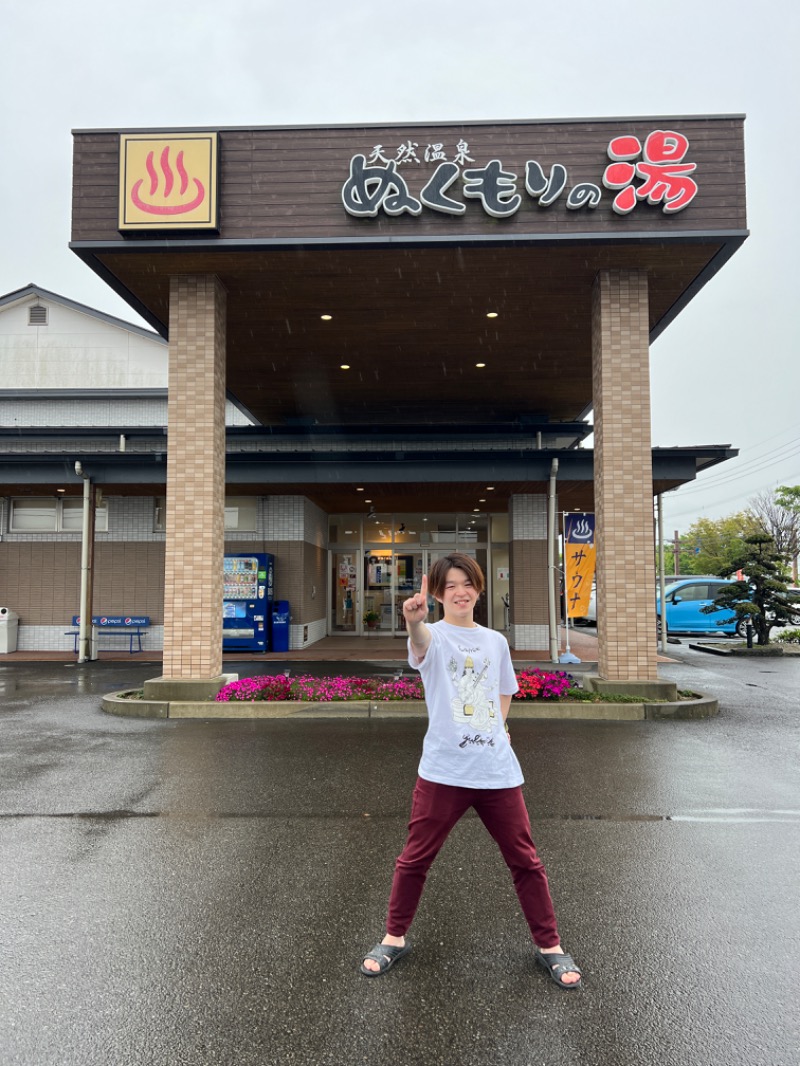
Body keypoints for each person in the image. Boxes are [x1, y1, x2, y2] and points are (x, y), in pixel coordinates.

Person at [360, 552, 581, 990]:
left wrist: (499, 727)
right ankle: (393, 936)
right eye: (449, 586)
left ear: (478, 587)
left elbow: (504, 692)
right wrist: (413, 621)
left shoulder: (495, 642)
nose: (459, 592)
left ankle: (550, 946)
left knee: (525, 860)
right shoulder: (434, 636)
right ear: (438, 594)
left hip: (496, 771)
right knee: (415, 858)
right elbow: (420, 645)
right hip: (443, 769)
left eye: (467, 583)